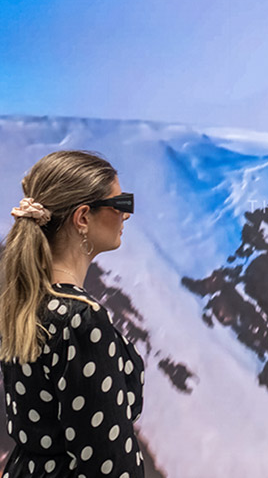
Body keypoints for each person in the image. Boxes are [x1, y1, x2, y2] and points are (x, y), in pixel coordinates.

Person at [0, 150, 144, 477]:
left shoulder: (25, 303)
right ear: (82, 218)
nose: (126, 215)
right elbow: (107, 461)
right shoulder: (79, 318)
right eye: (120, 204)